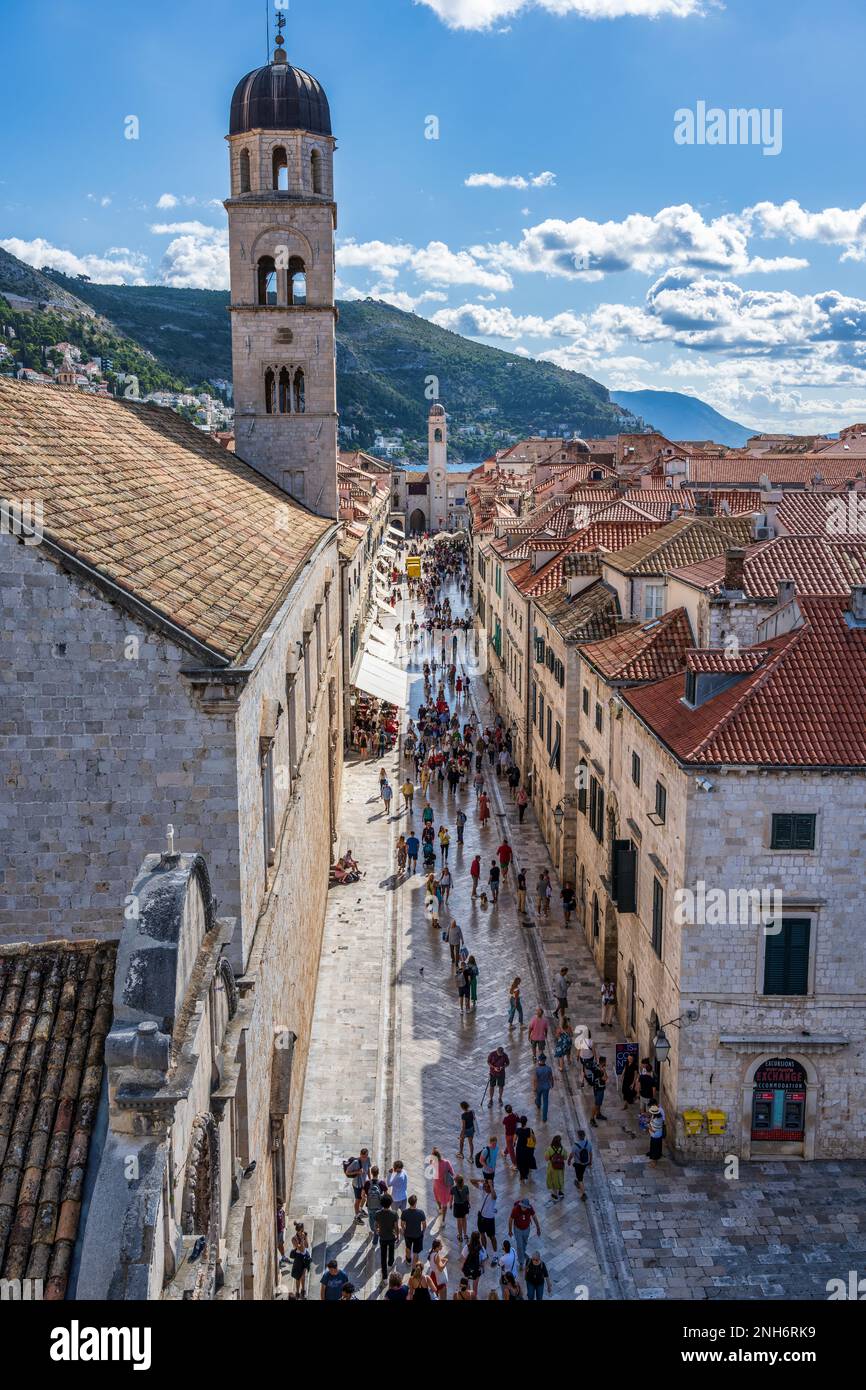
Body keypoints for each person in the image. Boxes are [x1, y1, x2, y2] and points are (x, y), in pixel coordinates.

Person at [508, 1196, 541, 1266]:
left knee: (524, 1242)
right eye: (523, 1207)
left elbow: (534, 1217)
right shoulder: (516, 1209)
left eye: (525, 1207)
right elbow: (510, 1220)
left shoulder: (530, 1208)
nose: (524, 1208)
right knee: (519, 1245)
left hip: (526, 1228)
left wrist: (538, 1228)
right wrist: (510, 1231)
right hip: (518, 1229)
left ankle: (523, 1252)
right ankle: (521, 1261)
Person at [472, 1178, 498, 1253]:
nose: (486, 1188)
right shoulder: (483, 1190)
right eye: (485, 1186)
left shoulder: (493, 1194)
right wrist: (480, 1180)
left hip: (489, 1219)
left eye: (488, 1187)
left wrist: (490, 1185)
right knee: (482, 1234)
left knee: (492, 1237)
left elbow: (495, 1196)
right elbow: (471, 1181)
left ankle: (495, 1254)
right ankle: (484, 1251)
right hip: (481, 1217)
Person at [365, 1166, 387, 1247]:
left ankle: (373, 1230)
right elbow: (386, 1195)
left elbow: (363, 1194)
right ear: (378, 1173)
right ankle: (375, 1240)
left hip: (370, 1206)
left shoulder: (367, 1183)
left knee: (371, 1219)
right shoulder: (381, 1183)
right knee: (378, 1222)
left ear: (371, 1173)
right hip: (379, 1207)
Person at [344, 1149, 371, 1218]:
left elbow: (368, 1170)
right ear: (360, 1155)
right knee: (358, 1200)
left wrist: (370, 1180)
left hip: (364, 1183)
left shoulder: (368, 1159)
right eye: (362, 1157)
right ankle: (357, 1216)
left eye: (365, 1156)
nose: (364, 1158)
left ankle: (360, 1210)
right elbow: (347, 1172)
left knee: (364, 1198)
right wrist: (357, 1172)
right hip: (357, 1185)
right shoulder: (356, 1162)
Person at [402, 1193, 428, 1260]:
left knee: (408, 1248)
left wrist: (405, 1231)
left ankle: (408, 1260)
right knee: (416, 1252)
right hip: (418, 1235)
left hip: (408, 1234)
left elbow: (402, 1224)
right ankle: (415, 1265)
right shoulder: (421, 1212)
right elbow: (424, 1225)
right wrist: (422, 1232)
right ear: (416, 1202)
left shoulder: (404, 1212)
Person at [568, 1129, 592, 1201]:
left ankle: (583, 1193)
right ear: (584, 1136)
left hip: (578, 1164)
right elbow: (591, 1154)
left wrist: (569, 1160)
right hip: (585, 1163)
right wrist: (590, 1162)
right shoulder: (588, 1143)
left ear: (578, 1136)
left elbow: (572, 1154)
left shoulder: (575, 1146)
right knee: (581, 1173)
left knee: (580, 1178)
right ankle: (579, 1182)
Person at [461, 1230, 486, 1296]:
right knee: (475, 1287)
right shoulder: (481, 1249)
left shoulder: (467, 1247)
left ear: (471, 1238)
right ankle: (474, 1297)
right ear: (479, 1238)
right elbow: (483, 1261)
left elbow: (463, 1258)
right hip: (477, 1270)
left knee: (467, 1285)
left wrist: (463, 1266)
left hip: (467, 1269)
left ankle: (468, 1297)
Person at [289, 1222, 311, 1299]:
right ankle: (297, 1292)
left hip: (305, 1257)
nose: (302, 1232)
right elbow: (301, 1249)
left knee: (303, 1275)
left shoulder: (304, 1235)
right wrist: (301, 1239)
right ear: (298, 1230)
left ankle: (303, 1290)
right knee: (297, 1276)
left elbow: (307, 1246)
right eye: (301, 1230)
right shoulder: (294, 1239)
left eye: (302, 1230)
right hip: (298, 1258)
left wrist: (305, 1238)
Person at [514, 1116, 537, 1184]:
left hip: (520, 1149)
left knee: (520, 1162)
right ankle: (527, 1170)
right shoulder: (530, 1130)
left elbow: (514, 1139)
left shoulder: (518, 1130)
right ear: (526, 1122)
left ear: (520, 1122)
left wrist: (514, 1143)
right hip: (528, 1148)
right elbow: (534, 1139)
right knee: (527, 1160)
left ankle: (522, 1177)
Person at [545, 1134, 566, 1201]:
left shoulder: (549, 1149)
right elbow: (565, 1157)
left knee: (553, 1181)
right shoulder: (562, 1148)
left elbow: (546, 1158)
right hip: (560, 1167)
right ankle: (561, 1192)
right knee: (560, 1179)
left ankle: (555, 1195)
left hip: (552, 1167)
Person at [534, 1053, 554, 1123]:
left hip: (539, 1086)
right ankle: (544, 1118)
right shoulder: (548, 1068)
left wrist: (535, 1088)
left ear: (539, 1060)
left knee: (538, 1097)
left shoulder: (537, 1069)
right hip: (546, 1086)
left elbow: (535, 1080)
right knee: (545, 1102)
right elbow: (551, 1077)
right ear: (545, 1060)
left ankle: (538, 1104)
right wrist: (552, 1084)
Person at [589, 1055, 609, 1127]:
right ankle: (592, 1119)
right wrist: (604, 1071)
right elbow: (605, 1078)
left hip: (597, 1088)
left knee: (599, 1103)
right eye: (605, 1062)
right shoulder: (599, 1070)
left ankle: (598, 1114)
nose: (606, 1063)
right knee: (597, 1104)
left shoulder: (597, 1067)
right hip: (599, 1089)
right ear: (603, 1062)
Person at [452, 1173, 471, 1244]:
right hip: (464, 1205)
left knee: (458, 1221)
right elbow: (468, 1197)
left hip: (457, 1206)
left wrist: (450, 1204)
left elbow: (451, 1197)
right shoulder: (466, 1187)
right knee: (464, 1219)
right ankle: (465, 1234)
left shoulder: (453, 1188)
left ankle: (460, 1236)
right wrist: (468, 1203)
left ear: (456, 1182)